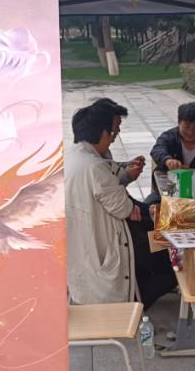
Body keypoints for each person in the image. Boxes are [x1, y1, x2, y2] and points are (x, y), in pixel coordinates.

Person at [66, 104, 175, 307]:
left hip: (90, 241)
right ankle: (136, 307)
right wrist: (133, 205)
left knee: (155, 240)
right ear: (102, 132)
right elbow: (123, 208)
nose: (116, 135)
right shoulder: (95, 167)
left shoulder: (76, 156)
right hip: (106, 245)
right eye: (114, 130)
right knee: (171, 264)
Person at [147, 102, 195, 202]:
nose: (190, 132)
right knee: (148, 205)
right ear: (179, 122)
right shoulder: (169, 137)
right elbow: (157, 150)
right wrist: (167, 160)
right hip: (167, 191)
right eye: (187, 127)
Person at [86, 97, 145, 186]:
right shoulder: (90, 160)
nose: (118, 130)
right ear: (104, 129)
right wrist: (127, 176)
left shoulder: (101, 147)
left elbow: (109, 165)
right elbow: (108, 187)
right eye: (117, 126)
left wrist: (128, 164)